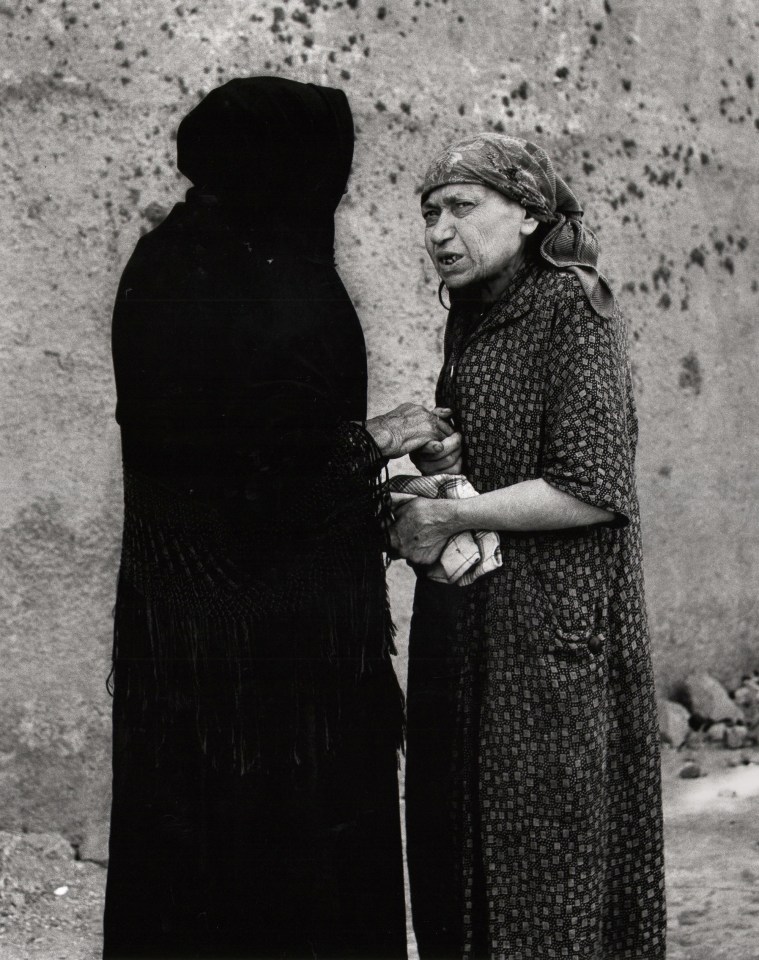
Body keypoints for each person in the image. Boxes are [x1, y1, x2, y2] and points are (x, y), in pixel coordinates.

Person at [104, 76, 450, 959]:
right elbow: (255, 468)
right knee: (294, 870)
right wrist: (376, 442)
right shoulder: (270, 283)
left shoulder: (167, 260)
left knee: (199, 874)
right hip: (282, 656)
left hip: (187, 637)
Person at [391, 134, 666, 959]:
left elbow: (590, 488)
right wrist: (449, 463)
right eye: (429, 213)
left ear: (527, 214)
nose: (439, 231)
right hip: (482, 630)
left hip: (553, 637)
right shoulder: (474, 311)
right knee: (465, 848)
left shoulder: (570, 307)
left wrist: (444, 520)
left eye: (462, 208)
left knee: (547, 861)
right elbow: (517, 458)